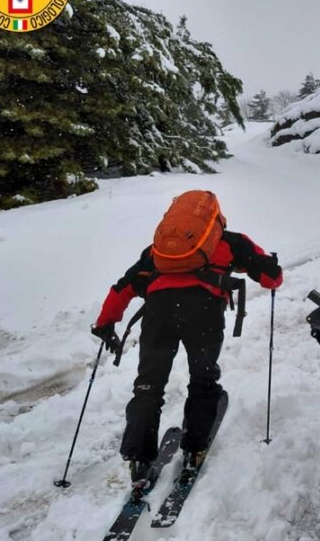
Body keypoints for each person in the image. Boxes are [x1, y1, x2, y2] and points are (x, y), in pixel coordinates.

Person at [91, 192, 282, 490]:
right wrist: (270, 267)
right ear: (215, 219)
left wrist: (105, 323)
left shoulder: (158, 252)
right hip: (203, 315)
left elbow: (123, 287)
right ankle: (194, 449)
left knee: (148, 385)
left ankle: (139, 461)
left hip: (158, 315)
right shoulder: (229, 242)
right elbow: (272, 278)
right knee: (203, 379)